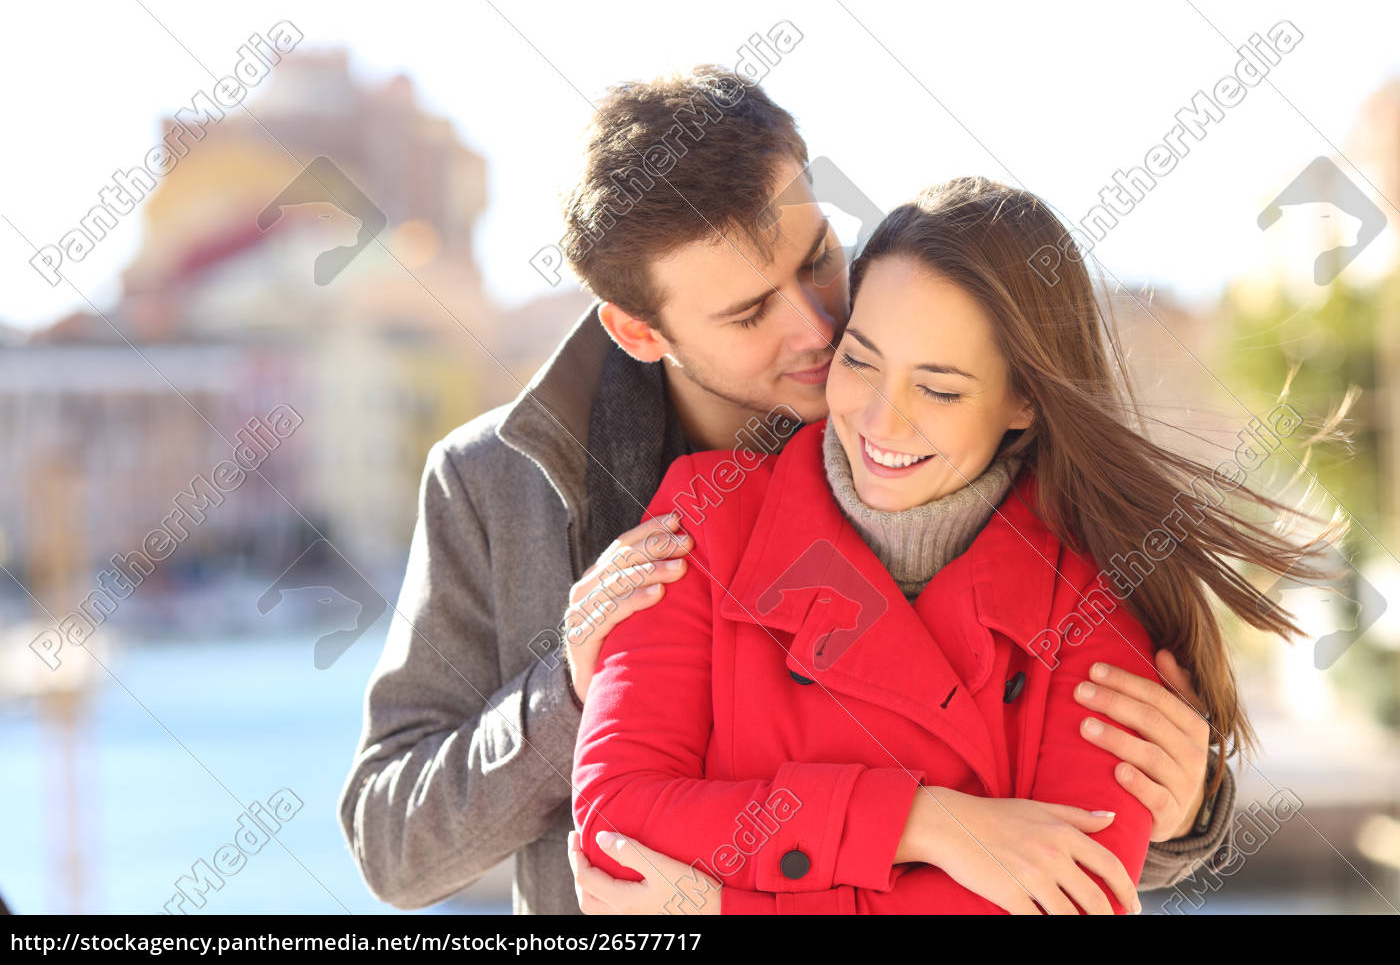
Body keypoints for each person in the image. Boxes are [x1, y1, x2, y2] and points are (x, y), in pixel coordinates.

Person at [338, 66, 1235, 915]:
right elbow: (394, 846)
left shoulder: (939, 377)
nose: (819, 327)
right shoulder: (498, 482)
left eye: (815, 259)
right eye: (748, 312)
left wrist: (1190, 803)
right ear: (639, 331)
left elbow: (1061, 863)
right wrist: (569, 695)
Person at [568, 176, 1335, 914]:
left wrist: (729, 905)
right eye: (860, 358)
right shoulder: (707, 517)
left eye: (938, 388)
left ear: (1024, 401)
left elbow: (1072, 899)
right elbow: (615, 823)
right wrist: (927, 823)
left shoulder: (1098, 592)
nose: (881, 421)